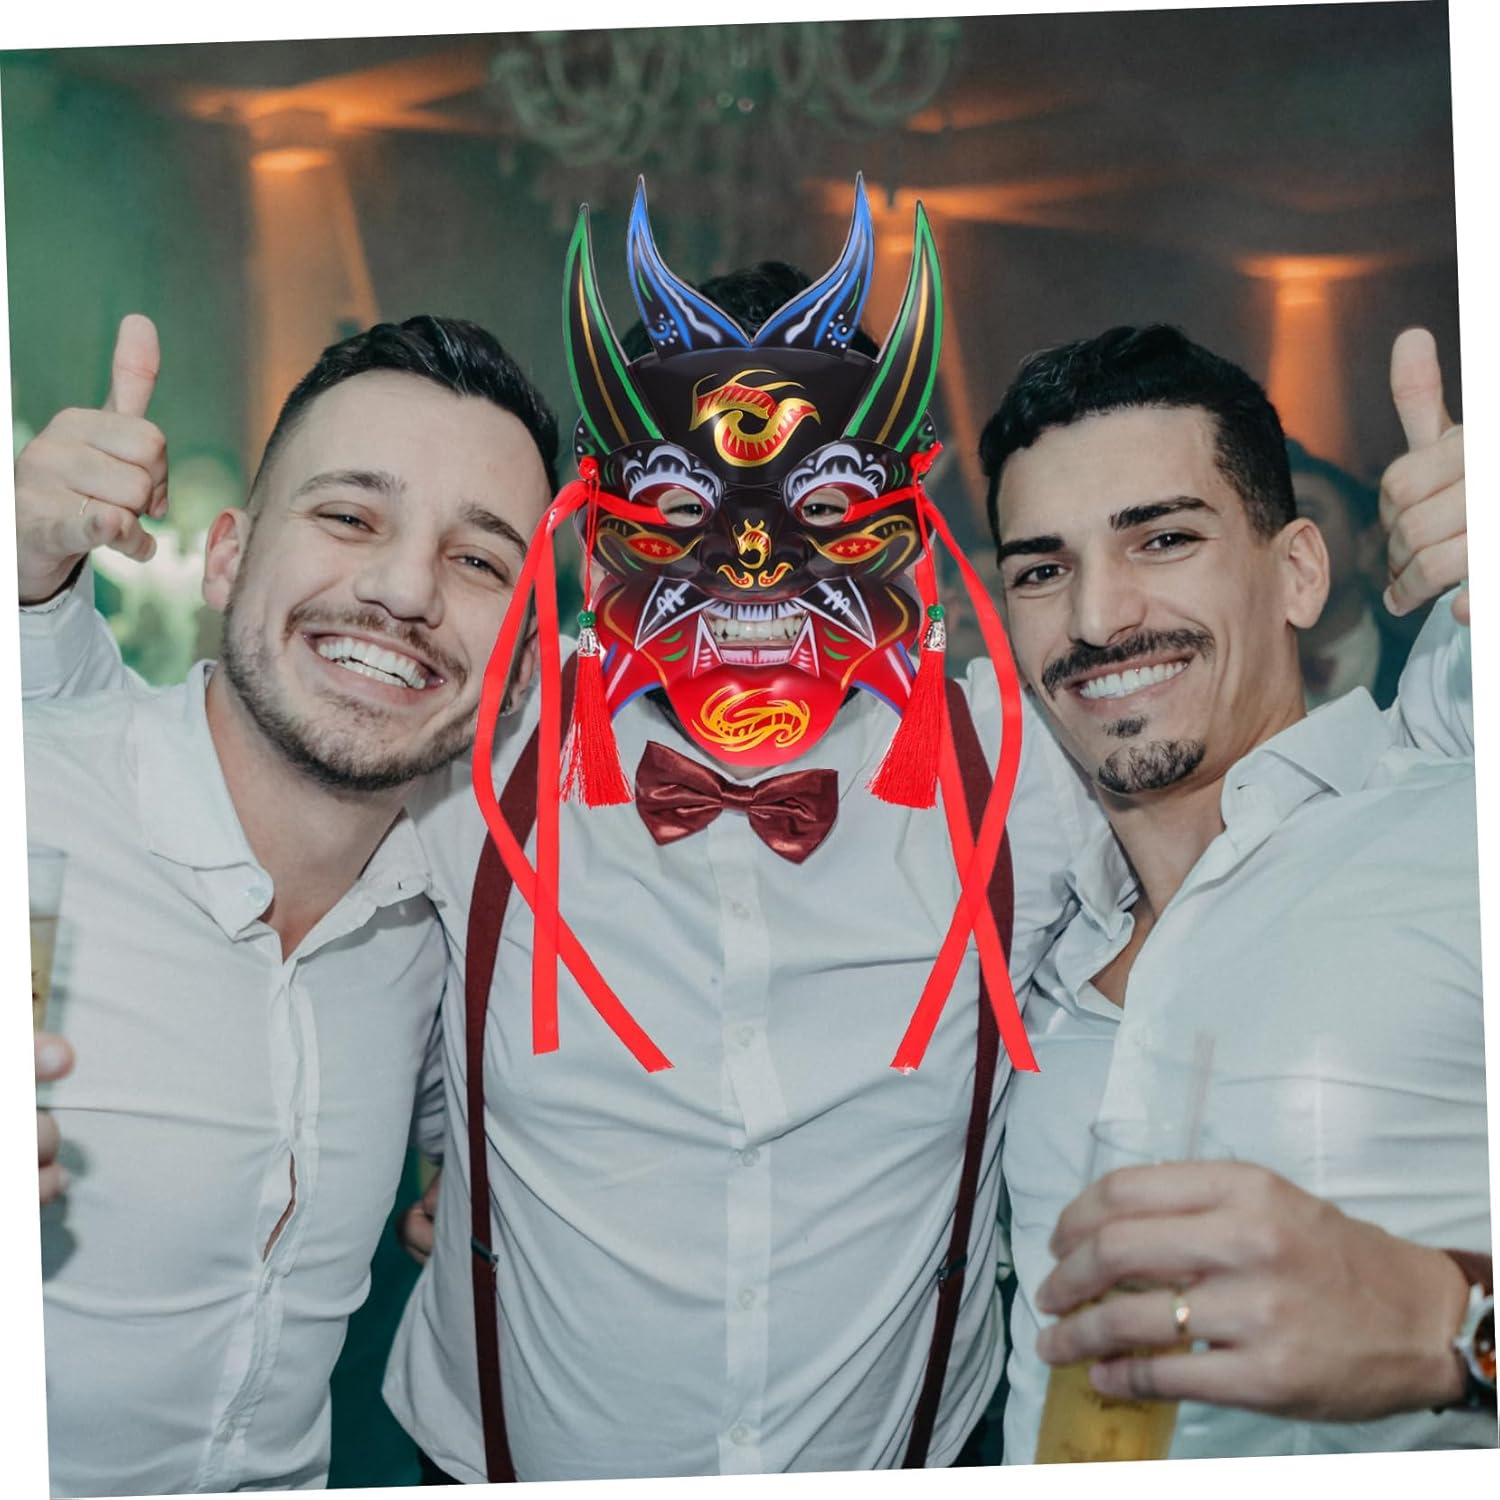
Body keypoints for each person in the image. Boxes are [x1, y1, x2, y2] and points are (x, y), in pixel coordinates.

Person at [18, 207, 1475, 1479]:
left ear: (899, 531)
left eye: (818, 503)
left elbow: (1334, 786)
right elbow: (179, 757)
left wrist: (1473, 599)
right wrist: (33, 576)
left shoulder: (1022, 760)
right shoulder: (475, 743)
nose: (756, 559)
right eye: (687, 504)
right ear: (603, 534)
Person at [17, 311, 557, 1494]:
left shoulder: (454, 925)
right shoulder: (36, 806)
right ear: (225, 558)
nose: (404, 589)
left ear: (521, 664)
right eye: (350, 517)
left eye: (479, 562)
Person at [979, 322, 1490, 1460]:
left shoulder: (1456, 836)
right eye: (1042, 570)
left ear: (1300, 571)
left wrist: (1452, 1327)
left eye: (1163, 539)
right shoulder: (1026, 961)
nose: (1097, 619)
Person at [1286, 437, 1413, 708]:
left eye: (1307, 516)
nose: (1284, 540)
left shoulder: (1424, 663)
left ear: (1367, 545)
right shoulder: (1236, 682)